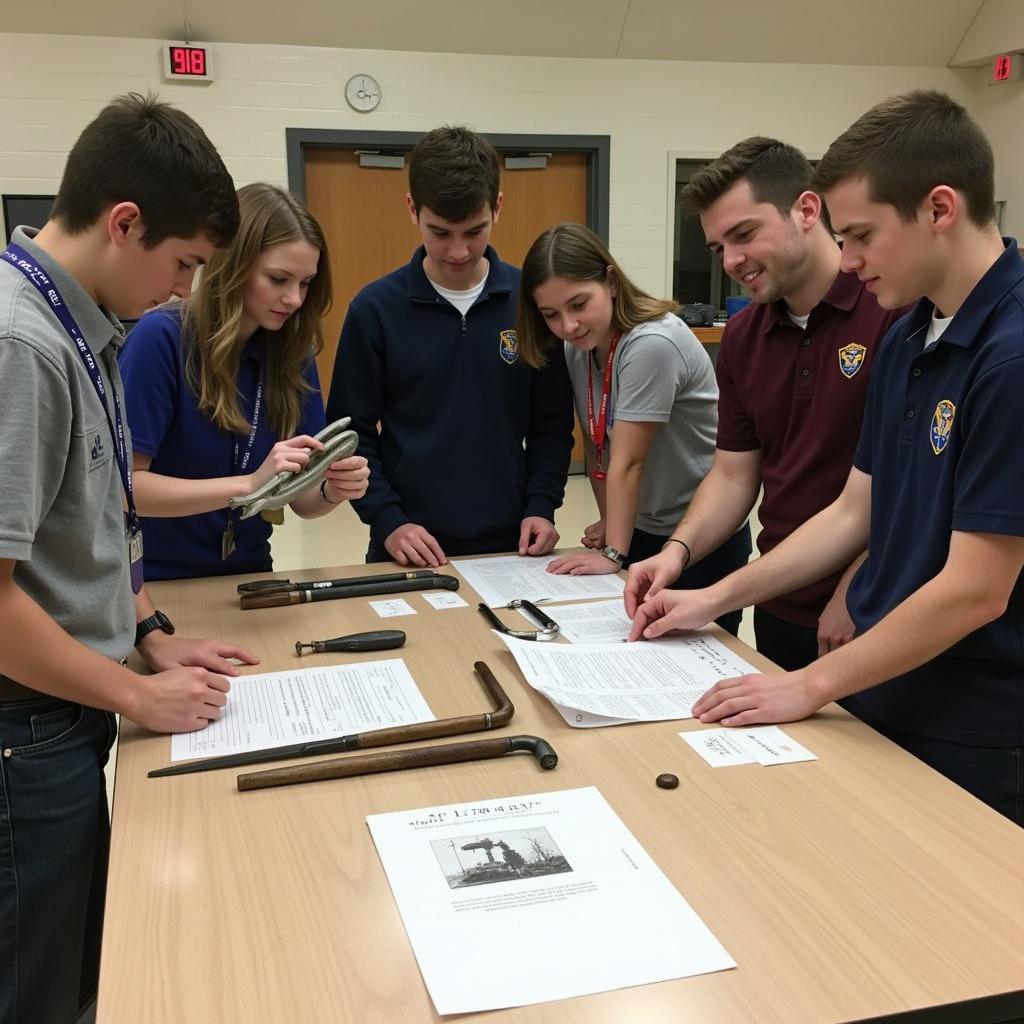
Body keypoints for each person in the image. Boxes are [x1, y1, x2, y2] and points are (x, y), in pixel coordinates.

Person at [632, 91, 1024, 825]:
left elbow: (979, 589)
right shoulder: (911, 340)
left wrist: (809, 684)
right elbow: (852, 511)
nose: (849, 261)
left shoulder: (1009, 357)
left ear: (940, 209)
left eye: (863, 236)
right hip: (879, 683)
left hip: (972, 717)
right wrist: (716, 598)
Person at [0, 94, 260, 1024]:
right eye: (184, 263)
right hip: (26, 728)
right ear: (124, 223)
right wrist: (139, 697)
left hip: (68, 708)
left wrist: (149, 633)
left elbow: (88, 527)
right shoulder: (22, 342)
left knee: (75, 963)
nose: (184, 290)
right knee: (38, 984)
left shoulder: (83, 324)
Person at [624, 138, 906, 668]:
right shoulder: (743, 336)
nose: (732, 261)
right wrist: (676, 552)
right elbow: (733, 476)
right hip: (776, 601)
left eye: (744, 235)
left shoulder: (892, 310)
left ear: (806, 209)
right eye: (718, 248)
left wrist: (860, 580)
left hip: (875, 606)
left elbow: (910, 487)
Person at [326, 126, 574, 567]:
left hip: (512, 544)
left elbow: (551, 424)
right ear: (411, 209)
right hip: (405, 545)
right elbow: (351, 435)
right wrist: (387, 520)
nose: (458, 251)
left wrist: (541, 505)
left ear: (497, 207)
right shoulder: (374, 310)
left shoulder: (532, 302)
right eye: (439, 232)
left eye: (474, 231)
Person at [119, 183, 369, 581]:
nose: (294, 299)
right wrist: (249, 484)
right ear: (234, 266)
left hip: (250, 575)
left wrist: (331, 492)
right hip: (156, 582)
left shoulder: (291, 352)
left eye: (305, 283)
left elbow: (301, 500)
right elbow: (126, 489)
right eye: (279, 279)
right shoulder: (161, 339)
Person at [516, 222, 751, 634]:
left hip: (699, 536)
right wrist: (613, 525)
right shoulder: (581, 348)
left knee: (694, 670)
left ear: (610, 280)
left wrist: (612, 552)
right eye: (551, 314)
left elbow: (629, 462)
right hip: (643, 530)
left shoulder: (651, 343)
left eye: (578, 304)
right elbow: (598, 447)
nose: (568, 325)